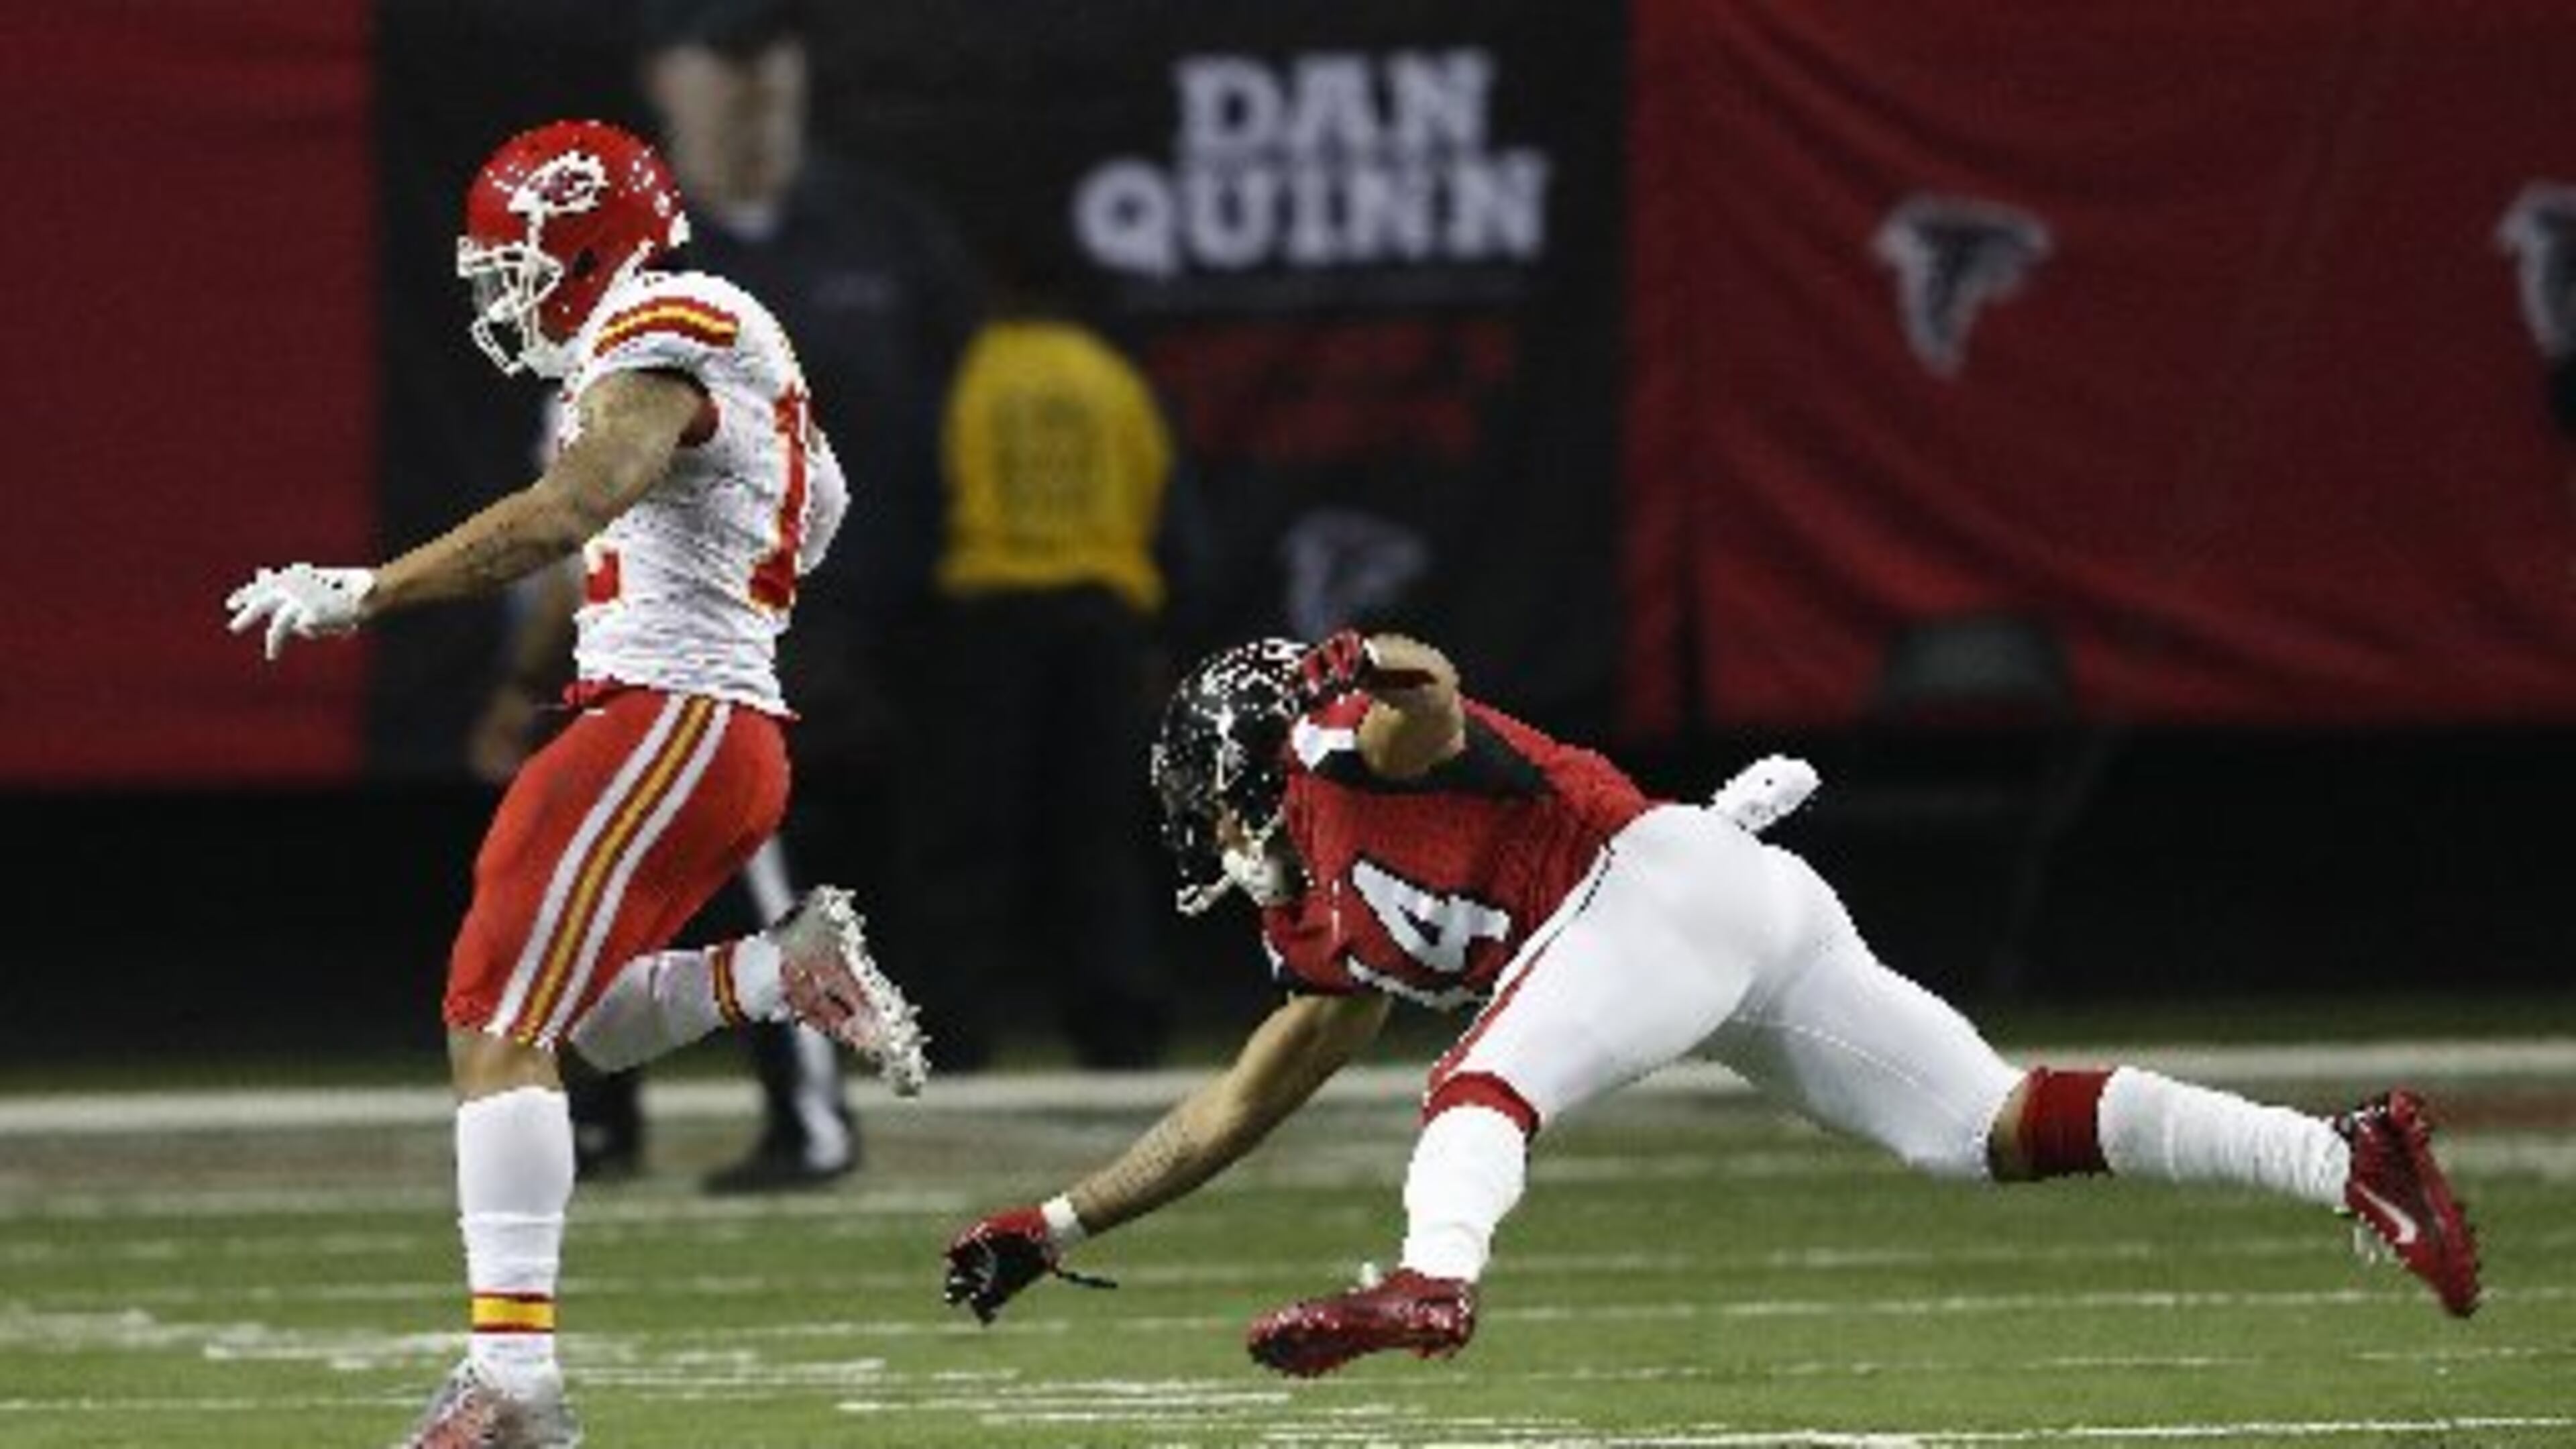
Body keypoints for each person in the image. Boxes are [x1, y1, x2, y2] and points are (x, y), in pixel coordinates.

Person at [941, 631, 2482, 1377]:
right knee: (1984, 1127)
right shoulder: (1329, 941)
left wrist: (1367, 648)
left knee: (1478, 1088)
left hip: (1661, 884)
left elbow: (1432, 701)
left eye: (1209, 811)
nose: (1212, 844)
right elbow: (1230, 1106)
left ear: (1242, 768)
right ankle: (2341, 1155)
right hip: (1710, 914)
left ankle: (1428, 1281)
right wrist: (1057, 1221)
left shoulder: (1339, 752)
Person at [224, 118, 931, 1444]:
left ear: (582, 243)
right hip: (702, 725)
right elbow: (816, 511)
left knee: (493, 1012)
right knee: (563, 1023)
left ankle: (511, 1381)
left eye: (515, 259)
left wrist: (362, 593)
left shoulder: (665, 322)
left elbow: (565, 513)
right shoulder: (719, 340)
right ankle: (773, 975)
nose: (501, 289)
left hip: (672, 720)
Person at [533, 0, 985, 1193]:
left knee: (741, 866)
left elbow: (824, 486)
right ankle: (604, 1115)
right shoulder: (642, 298)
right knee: (603, 877)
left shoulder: (847, 252)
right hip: (656, 644)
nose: (747, 87)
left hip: (744, 644)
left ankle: (812, 1113)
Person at [894, 229, 1205, 1072]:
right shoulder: (1113, 384)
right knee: (1096, 837)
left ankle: (950, 1031)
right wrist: (1163, 633)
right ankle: (1121, 1026)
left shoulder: (970, 375)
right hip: (1102, 624)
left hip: (990, 622)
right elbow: (1170, 512)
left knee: (967, 838)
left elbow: (922, 496)